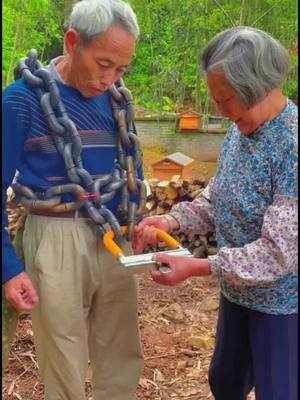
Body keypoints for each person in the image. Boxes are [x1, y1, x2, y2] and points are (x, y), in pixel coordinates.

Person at [134, 27, 298, 400]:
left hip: (283, 305)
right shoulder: (239, 134)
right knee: (225, 381)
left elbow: (277, 254)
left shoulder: (292, 146)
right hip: (237, 294)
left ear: (257, 86)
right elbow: (216, 199)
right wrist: (171, 220)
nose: (222, 112)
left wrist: (197, 267)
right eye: (217, 99)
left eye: (227, 100)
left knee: (280, 391)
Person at [2, 1, 144, 399]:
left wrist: (139, 220)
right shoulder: (21, 102)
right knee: (63, 355)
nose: (110, 78)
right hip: (55, 234)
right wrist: (9, 268)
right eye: (103, 64)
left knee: (121, 350)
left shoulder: (117, 101)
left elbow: (132, 168)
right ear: (71, 42)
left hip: (113, 235)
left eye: (121, 69)